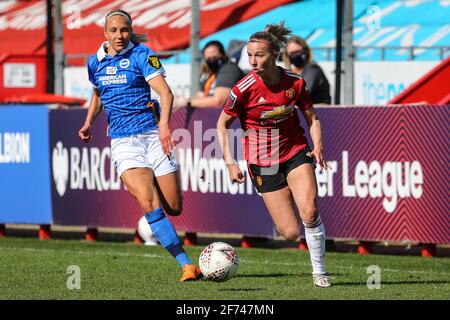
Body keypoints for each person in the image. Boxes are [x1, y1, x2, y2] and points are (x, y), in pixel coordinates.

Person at [78, 9, 201, 282]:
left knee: (174, 207)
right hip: (124, 141)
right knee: (148, 202)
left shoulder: (142, 55)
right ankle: (186, 264)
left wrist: (165, 125)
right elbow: (97, 94)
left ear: (130, 31)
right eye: (114, 30)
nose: (119, 35)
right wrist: (88, 122)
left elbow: (166, 93)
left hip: (153, 136)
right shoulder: (94, 62)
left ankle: (152, 180)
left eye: (124, 30)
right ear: (105, 33)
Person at [217, 22, 331, 288]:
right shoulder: (243, 89)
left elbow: (312, 118)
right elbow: (221, 124)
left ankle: (320, 272)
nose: (253, 61)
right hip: (263, 161)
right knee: (290, 232)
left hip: (294, 150)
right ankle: (288, 195)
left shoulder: (295, 82)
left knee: (310, 210)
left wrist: (318, 146)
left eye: (259, 55)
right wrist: (230, 163)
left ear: (275, 55)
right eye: (250, 55)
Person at [174, 40, 244, 108]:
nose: (212, 61)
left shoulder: (229, 68)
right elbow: (200, 96)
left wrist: (188, 102)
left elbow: (219, 101)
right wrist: (181, 101)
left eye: (214, 57)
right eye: (208, 59)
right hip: (211, 115)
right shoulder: (210, 74)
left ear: (223, 55)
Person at [283, 36, 331, 104]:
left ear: (306, 51)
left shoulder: (313, 70)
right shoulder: (290, 72)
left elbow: (302, 93)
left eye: (298, 51)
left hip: (318, 111)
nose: (296, 55)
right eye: (292, 53)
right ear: (287, 56)